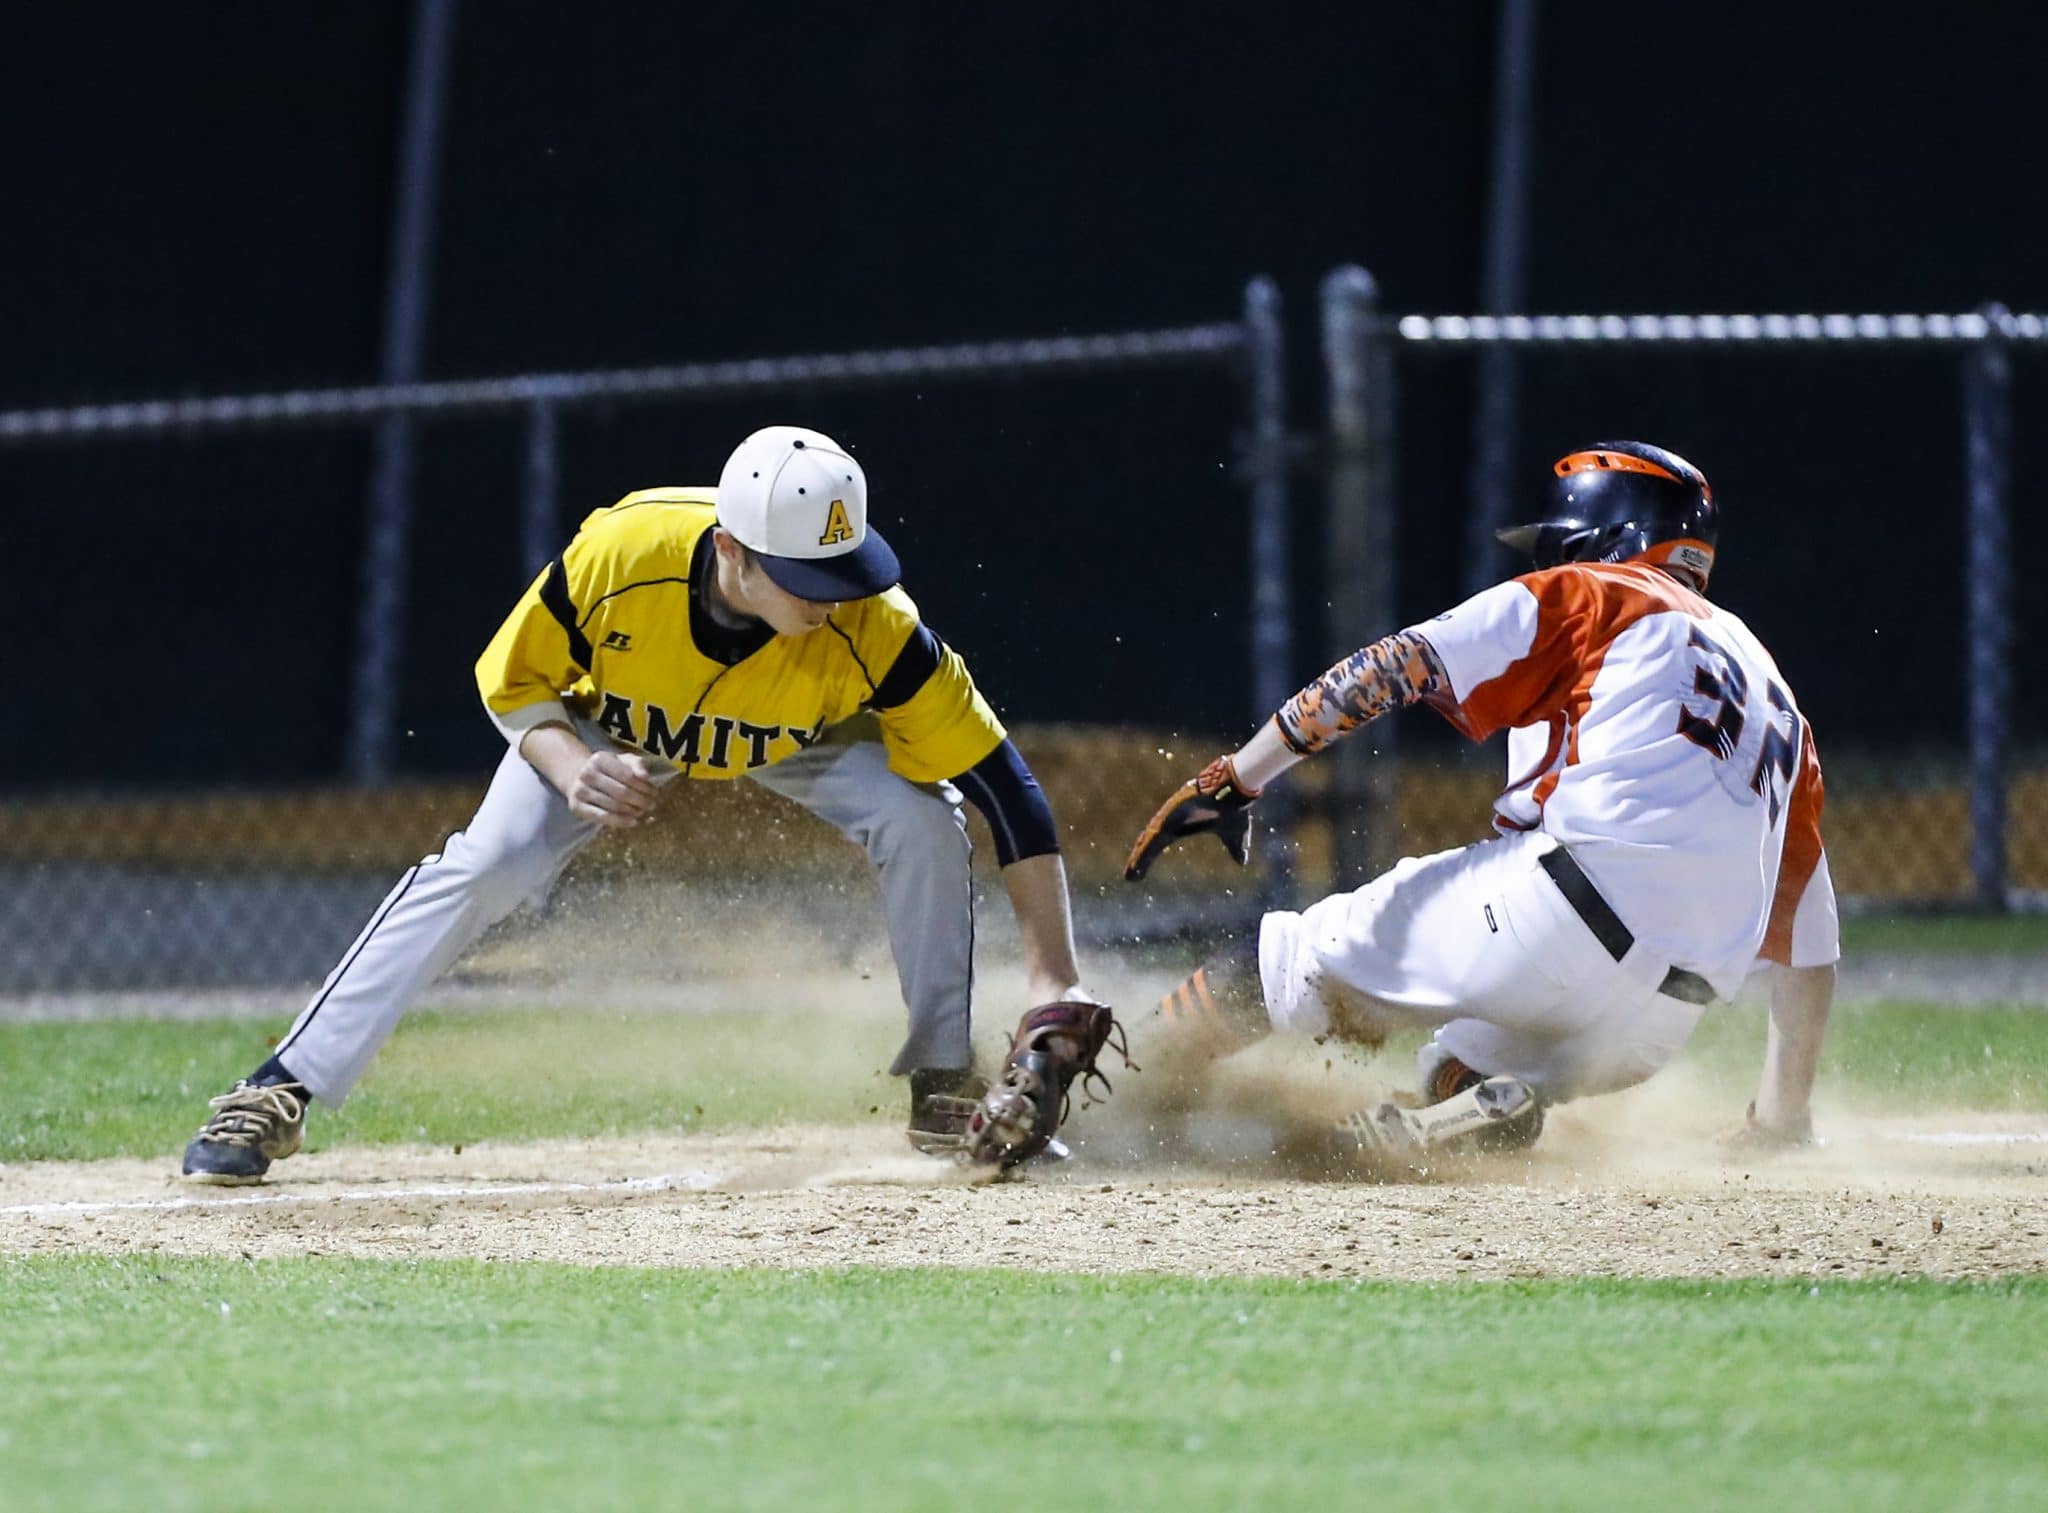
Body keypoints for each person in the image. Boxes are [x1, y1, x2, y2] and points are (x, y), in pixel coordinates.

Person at [182, 425, 1100, 1182]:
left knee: (921, 814)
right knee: (487, 863)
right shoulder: (622, 554)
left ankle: (941, 1078)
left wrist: (1054, 980)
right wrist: (569, 763)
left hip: (797, 735)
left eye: (845, 566)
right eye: (807, 576)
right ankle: (281, 1086)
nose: (835, 596)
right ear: (732, 551)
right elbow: (515, 683)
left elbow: (1007, 791)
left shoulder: (876, 628)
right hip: (611, 728)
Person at [1102, 439, 1837, 1161]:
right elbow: (1810, 937)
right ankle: (1486, 1100)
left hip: (1560, 921)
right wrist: (1782, 1118)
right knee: (1457, 1070)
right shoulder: (1775, 697)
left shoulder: (1599, 593)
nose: (1547, 562)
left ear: (1601, 538)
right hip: (1658, 1025)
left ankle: (1102, 1097)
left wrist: (1236, 779)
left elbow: (1394, 665)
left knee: (1284, 960)